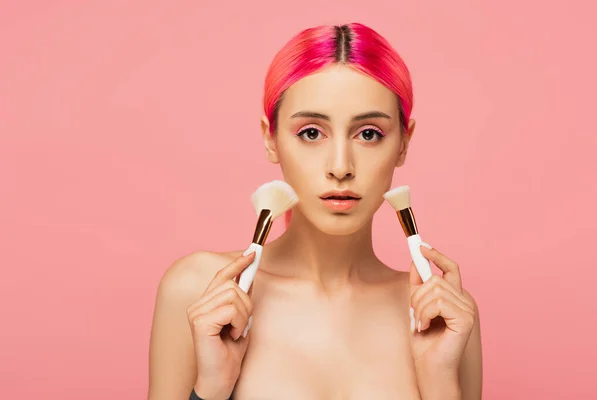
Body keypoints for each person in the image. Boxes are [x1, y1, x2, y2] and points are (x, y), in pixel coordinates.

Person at [148, 22, 482, 400]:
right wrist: (211, 388)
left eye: (369, 133)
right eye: (311, 133)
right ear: (270, 139)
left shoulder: (444, 315)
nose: (340, 166)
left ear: (404, 143)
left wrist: (439, 380)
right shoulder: (199, 291)